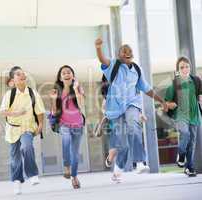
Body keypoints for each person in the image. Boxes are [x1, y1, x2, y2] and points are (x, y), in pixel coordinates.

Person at [95, 38, 168, 183]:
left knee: (134, 126)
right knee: (122, 145)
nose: (127, 53)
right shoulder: (114, 66)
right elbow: (103, 59)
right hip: (115, 109)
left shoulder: (137, 70)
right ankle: (117, 170)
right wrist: (98, 47)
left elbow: (146, 89)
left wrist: (162, 101)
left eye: (130, 51)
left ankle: (140, 162)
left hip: (132, 104)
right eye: (124, 51)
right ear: (119, 55)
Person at [0, 66, 45, 195]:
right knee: (15, 157)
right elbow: (3, 111)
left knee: (27, 146)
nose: (21, 75)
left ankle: (32, 174)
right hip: (13, 129)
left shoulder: (32, 93)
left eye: (22, 73)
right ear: (13, 80)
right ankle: (17, 182)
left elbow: (40, 111)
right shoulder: (9, 94)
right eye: (18, 74)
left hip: (27, 127)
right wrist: (16, 113)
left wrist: (40, 125)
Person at [165, 56, 202, 177]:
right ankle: (181, 154)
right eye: (182, 67)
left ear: (190, 68)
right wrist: (171, 104)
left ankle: (189, 167)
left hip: (194, 115)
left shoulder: (196, 81)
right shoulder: (174, 84)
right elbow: (167, 103)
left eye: (187, 66)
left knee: (191, 143)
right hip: (181, 115)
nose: (185, 69)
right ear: (178, 70)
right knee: (185, 134)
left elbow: (200, 97)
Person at [50, 65, 85, 189]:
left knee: (75, 154)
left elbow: (81, 106)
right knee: (66, 139)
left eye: (68, 72)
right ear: (60, 77)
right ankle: (66, 166)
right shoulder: (57, 91)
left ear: (72, 75)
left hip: (78, 125)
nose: (66, 74)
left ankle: (74, 177)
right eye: (63, 73)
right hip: (64, 124)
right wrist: (54, 99)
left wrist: (76, 90)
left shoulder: (78, 88)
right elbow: (54, 112)